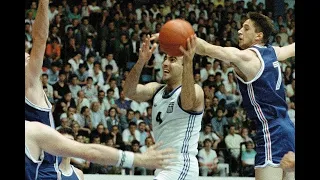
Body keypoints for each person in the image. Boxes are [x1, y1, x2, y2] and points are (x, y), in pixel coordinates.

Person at [151, 11, 295, 180]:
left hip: (271, 131)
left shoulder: (246, 57)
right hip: (288, 129)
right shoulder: (274, 52)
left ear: (258, 36)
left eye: (246, 28)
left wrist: (173, 37)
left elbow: (207, 49)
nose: (239, 31)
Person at [124, 34, 204, 180]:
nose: (165, 63)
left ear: (184, 63)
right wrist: (141, 62)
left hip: (181, 165)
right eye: (165, 58)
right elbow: (129, 92)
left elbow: (187, 103)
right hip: (161, 168)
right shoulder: (156, 90)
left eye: (172, 60)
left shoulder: (195, 90)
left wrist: (188, 63)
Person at [25, 120, 175, 180]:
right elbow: (90, 152)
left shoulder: (78, 174)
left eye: (69, 142)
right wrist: (139, 159)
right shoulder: (42, 170)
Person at [25, 0, 61, 179]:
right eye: (26, 55)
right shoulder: (28, 82)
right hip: (43, 171)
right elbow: (39, 39)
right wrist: (44, 3)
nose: (28, 55)